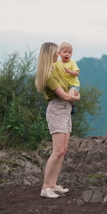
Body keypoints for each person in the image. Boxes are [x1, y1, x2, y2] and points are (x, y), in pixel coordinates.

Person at [35, 42, 80, 199]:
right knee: (58, 150)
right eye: (56, 52)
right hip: (58, 109)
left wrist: (73, 95)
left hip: (65, 110)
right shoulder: (49, 74)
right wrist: (75, 97)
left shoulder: (56, 69)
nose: (58, 55)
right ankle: (45, 187)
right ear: (50, 54)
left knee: (63, 149)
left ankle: (53, 184)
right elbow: (65, 95)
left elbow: (71, 84)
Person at [54, 42, 80, 114]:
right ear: (59, 53)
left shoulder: (72, 63)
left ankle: (72, 106)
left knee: (70, 96)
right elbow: (52, 68)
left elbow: (77, 73)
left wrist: (69, 71)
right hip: (64, 85)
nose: (67, 54)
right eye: (65, 52)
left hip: (73, 85)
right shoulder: (57, 64)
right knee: (62, 96)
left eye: (69, 52)